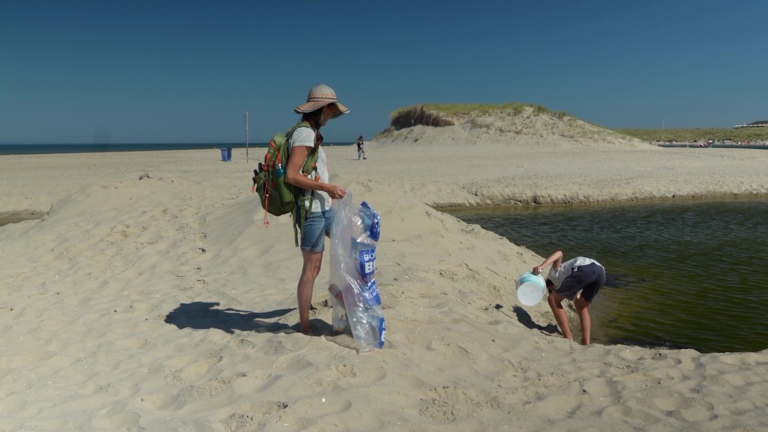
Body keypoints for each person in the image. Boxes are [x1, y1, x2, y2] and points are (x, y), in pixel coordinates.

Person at [285, 84, 349, 336]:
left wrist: (329, 193)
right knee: (311, 269)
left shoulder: (311, 132)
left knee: (348, 242)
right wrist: (327, 187)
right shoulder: (304, 134)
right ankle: (304, 325)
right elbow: (291, 175)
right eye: (332, 110)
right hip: (311, 210)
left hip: (324, 207)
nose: (332, 116)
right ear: (323, 109)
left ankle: (346, 301)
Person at [533, 250, 606, 345]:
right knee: (582, 307)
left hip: (584, 269)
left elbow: (559, 253)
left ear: (550, 286)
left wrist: (542, 266)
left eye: (550, 290)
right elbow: (577, 302)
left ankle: (568, 338)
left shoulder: (553, 275)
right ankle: (586, 343)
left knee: (552, 299)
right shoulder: (571, 282)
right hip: (601, 273)